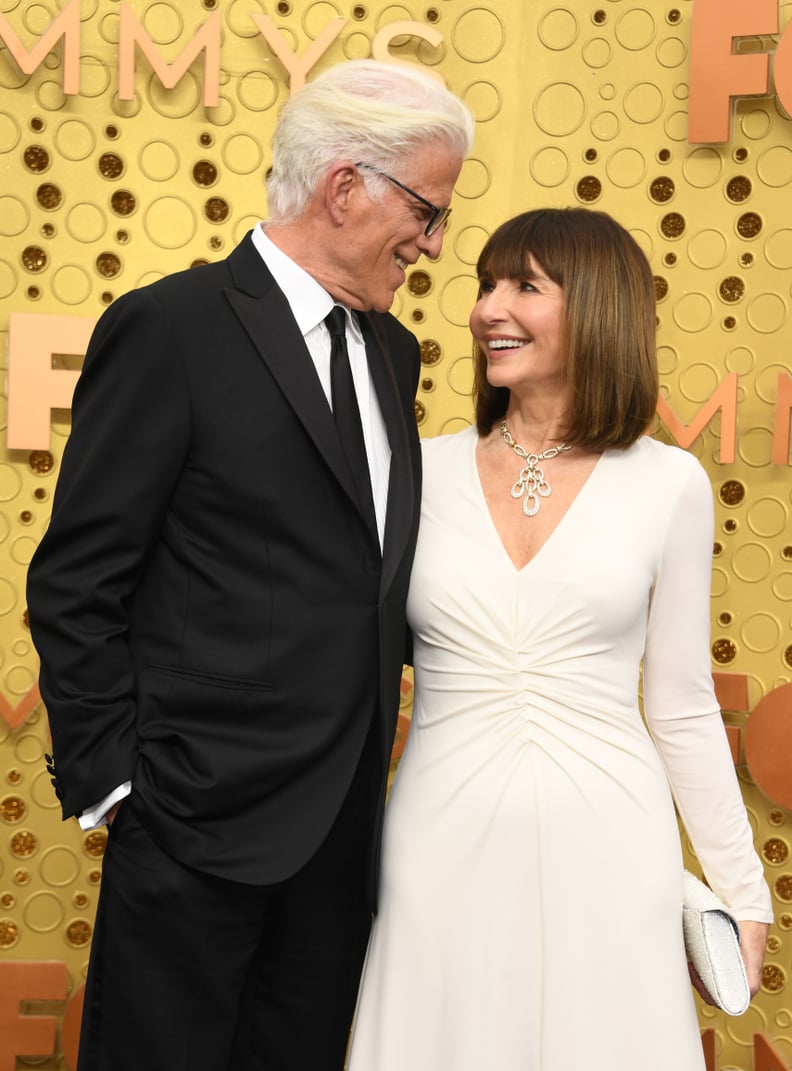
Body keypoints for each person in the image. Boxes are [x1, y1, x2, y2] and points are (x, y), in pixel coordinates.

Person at [25, 60, 474, 1071]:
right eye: (428, 210)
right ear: (345, 184)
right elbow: (79, 579)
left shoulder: (392, 354)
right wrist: (120, 790)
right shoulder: (172, 328)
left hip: (343, 839)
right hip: (193, 828)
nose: (436, 244)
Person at [346, 207, 773, 1071]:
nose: (488, 310)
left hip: (612, 846)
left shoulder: (670, 485)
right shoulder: (414, 468)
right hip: (437, 837)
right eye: (486, 285)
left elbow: (683, 705)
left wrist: (741, 889)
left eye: (525, 287)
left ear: (600, 310)